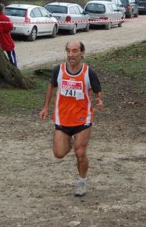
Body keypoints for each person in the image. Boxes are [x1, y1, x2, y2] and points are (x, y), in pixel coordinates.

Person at [38, 40, 103, 196]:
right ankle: (72, 141)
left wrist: (99, 100)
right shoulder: (58, 70)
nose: (70, 55)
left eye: (74, 51)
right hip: (63, 118)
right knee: (58, 153)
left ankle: (82, 182)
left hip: (83, 118)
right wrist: (46, 106)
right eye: (68, 51)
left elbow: (97, 90)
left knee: (80, 152)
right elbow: (51, 87)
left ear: (82, 53)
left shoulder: (88, 72)